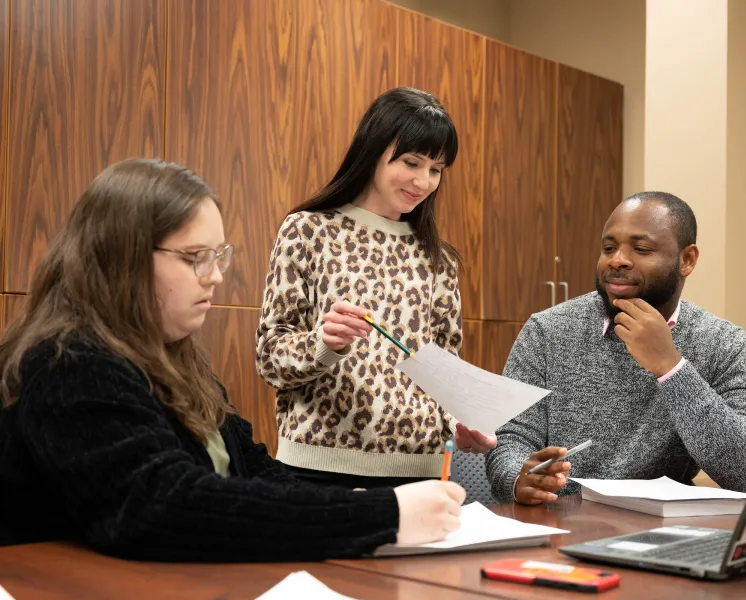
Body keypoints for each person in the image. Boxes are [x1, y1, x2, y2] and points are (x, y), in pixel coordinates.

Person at [0, 158, 466, 560]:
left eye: (219, 256)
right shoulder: (69, 362)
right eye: (194, 257)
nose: (215, 276)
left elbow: (252, 467)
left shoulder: (176, 359)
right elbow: (167, 507)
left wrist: (367, 500)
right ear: (120, 259)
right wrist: (384, 513)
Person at [256, 87, 496, 490]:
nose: (423, 181)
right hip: (318, 468)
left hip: (418, 474)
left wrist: (461, 422)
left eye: (436, 169)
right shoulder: (308, 231)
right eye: (411, 162)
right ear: (373, 151)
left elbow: (443, 374)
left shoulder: (440, 259)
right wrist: (324, 344)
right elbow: (270, 358)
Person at [485, 192, 746, 505]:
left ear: (687, 260)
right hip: (560, 523)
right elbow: (510, 438)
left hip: (661, 531)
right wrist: (518, 479)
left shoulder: (723, 343)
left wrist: (671, 367)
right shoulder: (547, 330)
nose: (617, 259)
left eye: (641, 248)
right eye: (608, 248)